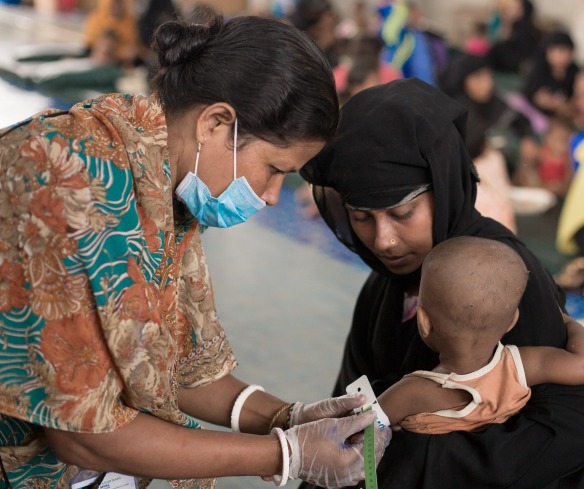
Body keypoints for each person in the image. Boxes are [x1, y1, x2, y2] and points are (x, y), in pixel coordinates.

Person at [0, 7, 392, 488]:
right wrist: (282, 455)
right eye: (274, 170)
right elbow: (82, 434)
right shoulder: (60, 177)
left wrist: (290, 418)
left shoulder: (165, 188)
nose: (271, 197)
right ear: (216, 124)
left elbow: (183, 369)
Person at [299, 78, 584, 488]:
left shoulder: (504, 279)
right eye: (362, 217)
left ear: (445, 184)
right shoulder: (383, 290)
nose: (384, 241)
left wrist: (409, 461)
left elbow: (562, 429)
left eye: (403, 213)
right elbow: (350, 405)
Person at [376, 236, 584, 433]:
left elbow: (357, 430)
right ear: (512, 322)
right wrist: (567, 320)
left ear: (424, 321)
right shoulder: (519, 367)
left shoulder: (410, 392)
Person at [522, 31, 580, 118]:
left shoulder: (576, 74)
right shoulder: (539, 68)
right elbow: (529, 93)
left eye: (565, 51)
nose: (561, 56)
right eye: (558, 51)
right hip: (534, 114)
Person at [487, 0, 540, 74]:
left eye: (513, 9)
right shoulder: (510, 27)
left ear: (522, 11)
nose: (507, 11)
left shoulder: (526, 32)